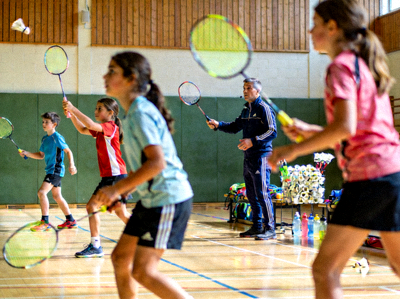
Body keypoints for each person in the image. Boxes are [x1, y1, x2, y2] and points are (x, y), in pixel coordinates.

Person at [268, 1, 400, 298]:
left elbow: (345, 128)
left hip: (370, 178)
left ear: (332, 27)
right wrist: (312, 132)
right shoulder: (362, 64)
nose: (310, 29)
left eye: (315, 22)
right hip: (392, 172)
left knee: (324, 270)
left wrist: (292, 150)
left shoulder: (339, 67)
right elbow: (362, 130)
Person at [94, 51, 194, 299]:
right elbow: (145, 167)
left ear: (131, 78)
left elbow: (156, 163)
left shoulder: (140, 112)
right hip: (152, 199)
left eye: (112, 71)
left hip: (168, 198)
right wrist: (126, 191)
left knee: (143, 271)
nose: (105, 76)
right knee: (120, 258)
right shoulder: (131, 114)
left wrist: (116, 189)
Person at [207, 78, 278, 240]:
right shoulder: (246, 109)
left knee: (263, 193)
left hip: (262, 156)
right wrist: (218, 125)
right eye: (244, 88)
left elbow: (272, 131)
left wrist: (252, 141)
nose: (245, 91)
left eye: (249, 88)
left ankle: (270, 228)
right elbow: (234, 127)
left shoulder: (264, 108)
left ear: (257, 91)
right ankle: (257, 226)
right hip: (248, 158)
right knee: (252, 194)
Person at [62, 98, 131, 258]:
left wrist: (73, 108)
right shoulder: (101, 130)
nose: (96, 111)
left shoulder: (110, 127)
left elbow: (91, 125)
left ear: (110, 113)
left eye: (100, 108)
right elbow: (82, 129)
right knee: (121, 213)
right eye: (96, 108)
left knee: (92, 207)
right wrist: (71, 114)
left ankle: (96, 246)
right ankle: (145, 235)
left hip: (116, 176)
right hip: (110, 177)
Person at [19, 112, 77, 231]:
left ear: (54, 124)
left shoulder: (57, 138)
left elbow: (68, 151)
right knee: (57, 196)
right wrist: (27, 154)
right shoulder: (45, 139)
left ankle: (45, 222)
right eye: (43, 122)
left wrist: (72, 164)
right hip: (51, 170)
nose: (44, 124)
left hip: (56, 169)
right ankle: (70, 220)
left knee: (41, 192)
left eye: (46, 122)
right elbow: (41, 155)